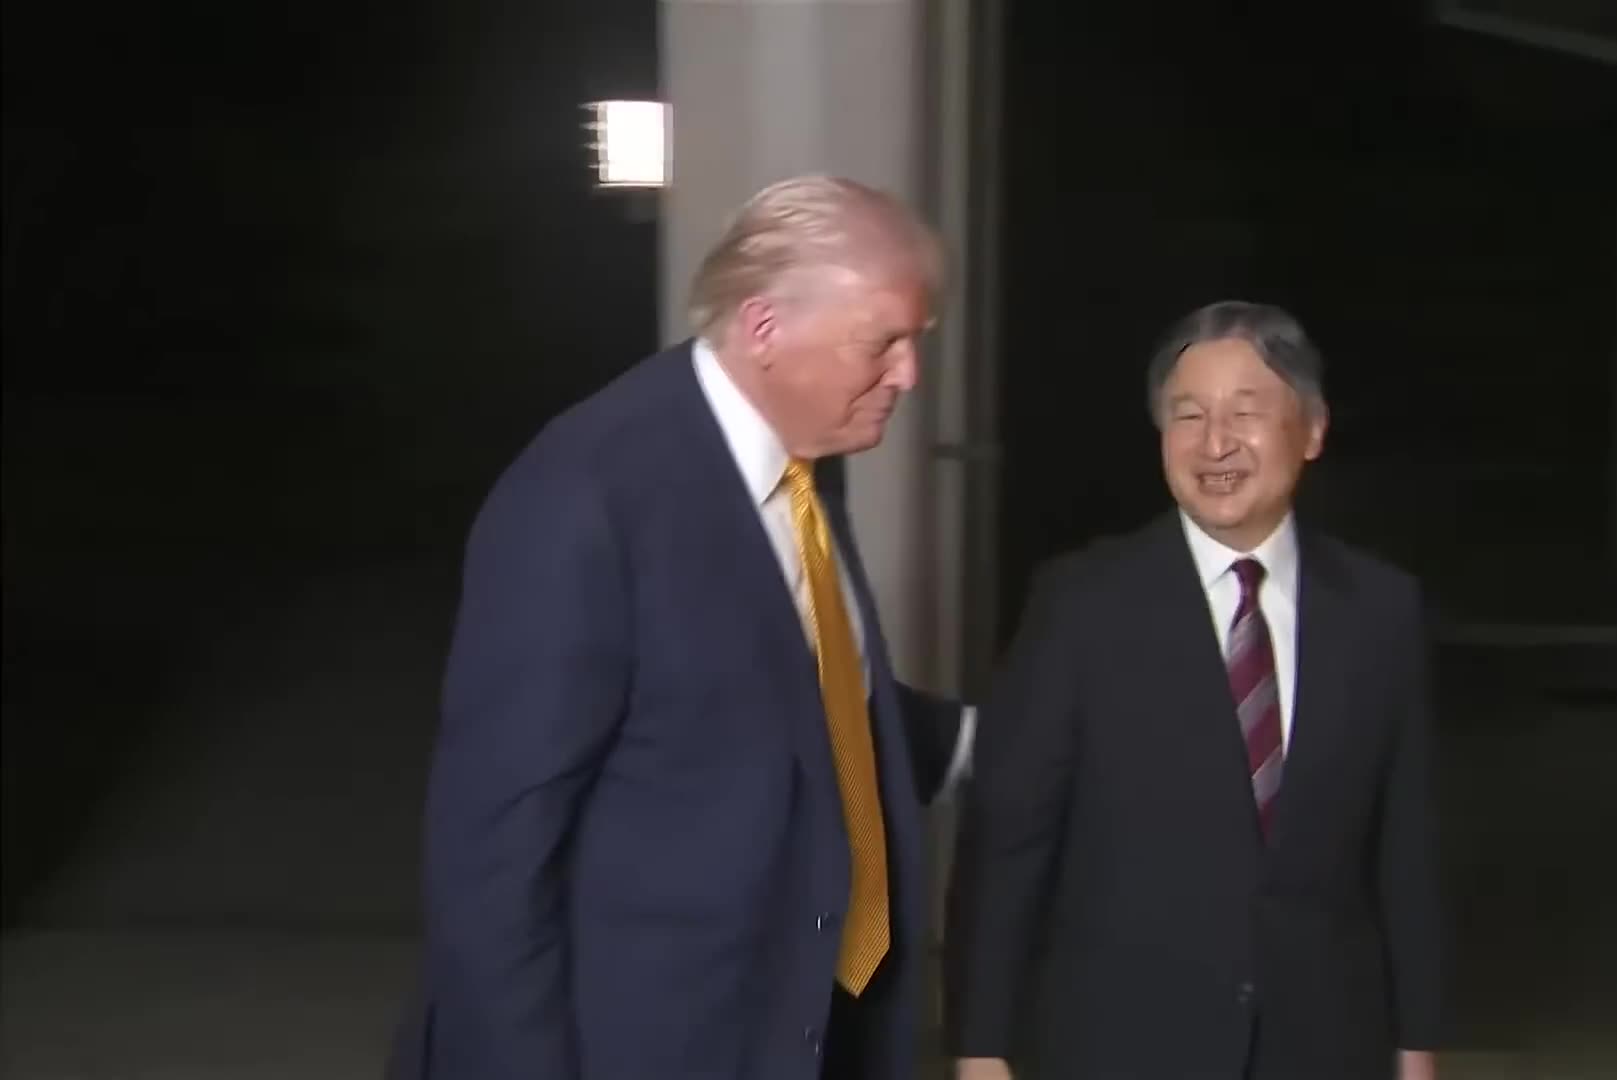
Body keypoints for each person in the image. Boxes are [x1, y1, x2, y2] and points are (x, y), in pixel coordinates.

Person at [391, 175, 973, 1080]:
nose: (908, 375)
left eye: (917, 341)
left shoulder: (811, 454)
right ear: (765, 326)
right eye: (884, 343)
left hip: (802, 1027)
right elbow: (492, 861)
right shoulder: (583, 500)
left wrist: (986, 740)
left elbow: (785, 688)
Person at [944, 301, 1447, 1079]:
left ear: (1311, 431)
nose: (1215, 443)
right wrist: (981, 1046)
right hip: (1121, 1038)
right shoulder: (1080, 605)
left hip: (1322, 1040)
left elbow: (1405, 845)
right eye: (1188, 415)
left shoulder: (1380, 611)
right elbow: (1009, 840)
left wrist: (1417, 1041)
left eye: (1246, 413)